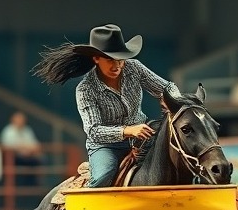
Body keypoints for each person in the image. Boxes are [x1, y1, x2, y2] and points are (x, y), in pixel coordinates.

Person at [32, 24, 178, 187]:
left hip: (142, 138)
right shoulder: (86, 89)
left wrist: (174, 101)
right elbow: (93, 131)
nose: (117, 65)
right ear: (96, 58)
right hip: (106, 146)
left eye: (120, 59)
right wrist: (127, 131)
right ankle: (87, 208)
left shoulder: (134, 67)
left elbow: (167, 87)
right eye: (110, 59)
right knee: (104, 174)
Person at [1, 111, 42, 186]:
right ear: (13, 120)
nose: (21, 121)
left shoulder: (27, 130)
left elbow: (36, 145)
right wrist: (24, 148)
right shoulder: (8, 131)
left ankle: (34, 186)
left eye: (22, 120)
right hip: (15, 157)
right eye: (19, 119)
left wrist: (28, 149)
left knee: (39, 159)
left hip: (29, 155)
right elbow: (8, 146)